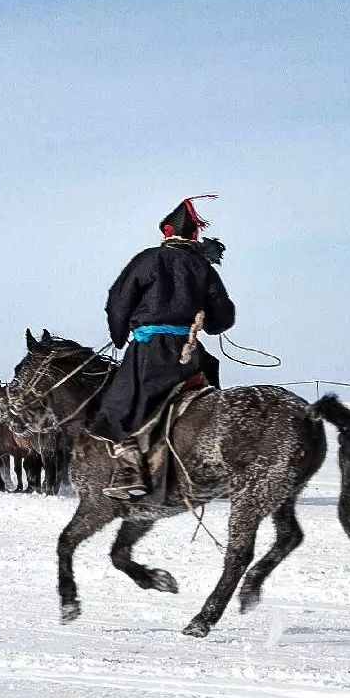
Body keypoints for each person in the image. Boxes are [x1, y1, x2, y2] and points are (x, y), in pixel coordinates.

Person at [95, 196, 235, 501]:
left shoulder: (147, 260)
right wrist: (207, 321)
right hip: (190, 354)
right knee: (211, 386)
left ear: (167, 232)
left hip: (150, 353)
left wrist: (120, 337)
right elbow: (223, 318)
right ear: (193, 237)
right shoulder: (203, 268)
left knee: (117, 406)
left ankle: (130, 470)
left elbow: (117, 302)